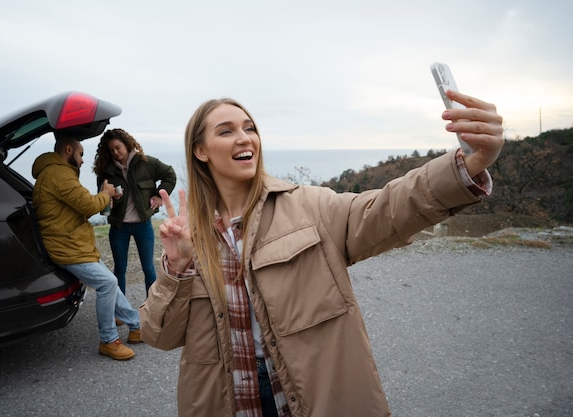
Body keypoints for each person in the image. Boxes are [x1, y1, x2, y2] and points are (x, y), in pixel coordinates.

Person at [139, 90, 504, 416]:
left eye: (250, 128)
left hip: (308, 395)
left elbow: (389, 207)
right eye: (226, 130)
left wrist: (467, 165)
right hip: (228, 400)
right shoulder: (191, 235)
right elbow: (160, 335)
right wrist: (177, 266)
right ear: (200, 151)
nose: (245, 137)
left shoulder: (310, 207)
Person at [32, 134, 142, 361]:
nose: (82, 161)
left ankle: (136, 325)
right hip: (66, 247)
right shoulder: (58, 173)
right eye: (81, 154)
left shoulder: (55, 173)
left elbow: (78, 203)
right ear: (69, 151)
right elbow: (88, 205)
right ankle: (109, 340)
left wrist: (101, 197)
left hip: (73, 244)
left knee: (109, 282)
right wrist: (106, 194)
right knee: (107, 283)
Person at [92, 128, 177, 298]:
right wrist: (110, 196)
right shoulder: (106, 171)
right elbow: (103, 201)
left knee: (148, 267)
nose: (116, 152)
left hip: (142, 224)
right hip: (118, 226)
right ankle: (121, 311)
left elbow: (170, 175)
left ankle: (153, 307)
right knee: (119, 268)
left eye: (118, 147)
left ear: (127, 144)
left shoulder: (146, 163)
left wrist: (160, 195)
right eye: (111, 150)